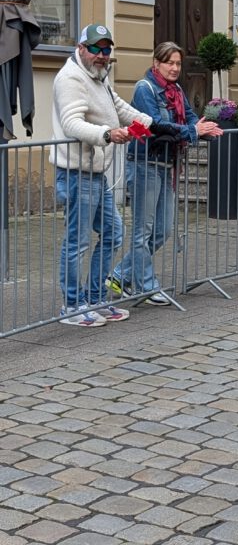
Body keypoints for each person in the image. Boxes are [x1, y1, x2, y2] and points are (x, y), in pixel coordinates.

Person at [51, 23, 154, 326]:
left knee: (113, 232)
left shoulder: (99, 77)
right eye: (95, 48)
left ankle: (94, 298)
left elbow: (119, 106)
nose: (101, 54)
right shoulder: (71, 78)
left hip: (95, 173)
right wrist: (107, 134)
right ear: (81, 48)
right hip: (75, 173)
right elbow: (72, 123)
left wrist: (154, 123)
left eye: (106, 49)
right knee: (77, 241)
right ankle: (71, 306)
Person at [107, 42, 223, 305]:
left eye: (178, 63)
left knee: (163, 230)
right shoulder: (145, 89)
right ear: (156, 63)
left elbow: (190, 115)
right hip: (145, 164)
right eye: (169, 62)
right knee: (143, 230)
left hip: (167, 165)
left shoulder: (177, 90)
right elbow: (155, 126)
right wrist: (193, 132)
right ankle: (147, 287)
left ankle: (119, 274)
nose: (174, 68)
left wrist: (200, 126)